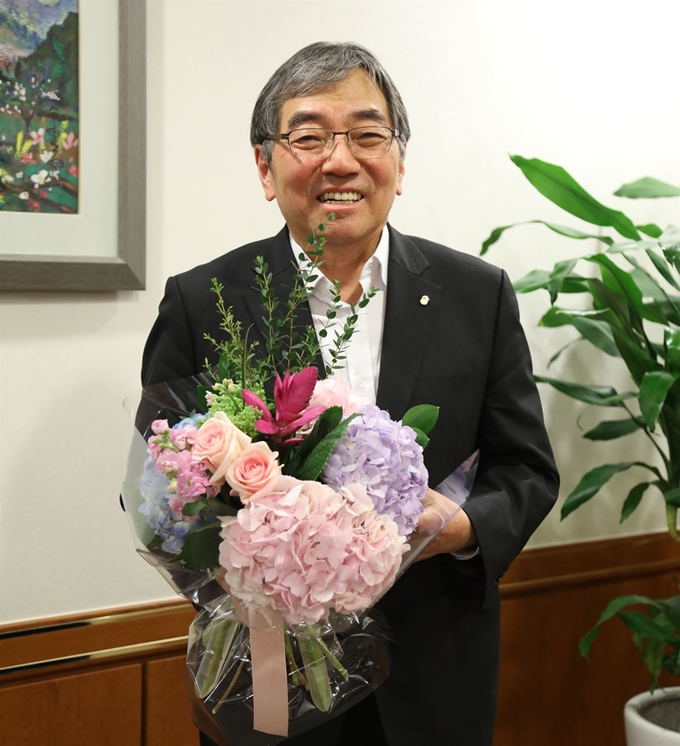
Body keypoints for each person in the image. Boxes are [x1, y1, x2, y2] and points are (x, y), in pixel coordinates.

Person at [142, 41, 559, 746]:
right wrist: (251, 556)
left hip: (434, 683)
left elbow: (526, 469)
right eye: (308, 137)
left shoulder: (477, 295)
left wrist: (459, 530)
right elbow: (156, 491)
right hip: (270, 681)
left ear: (399, 159)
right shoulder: (203, 303)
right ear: (264, 167)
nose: (341, 161)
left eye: (368, 135)